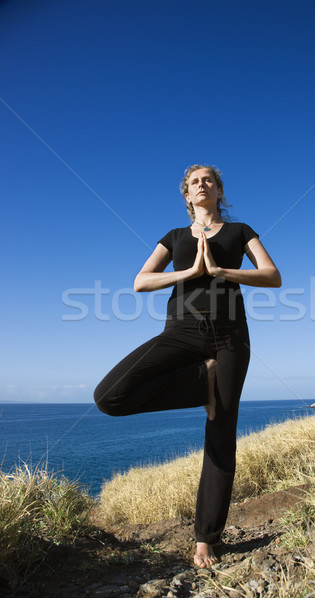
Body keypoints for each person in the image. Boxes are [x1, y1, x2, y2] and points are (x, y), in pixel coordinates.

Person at [94, 165, 281, 568]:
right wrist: (190, 272)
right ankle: (202, 383)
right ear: (186, 195)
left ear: (219, 191)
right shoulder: (175, 237)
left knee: (221, 431)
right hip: (181, 330)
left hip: (230, 336)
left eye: (208, 180)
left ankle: (206, 539)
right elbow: (141, 281)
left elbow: (272, 275)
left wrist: (220, 272)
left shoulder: (240, 231)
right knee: (109, 396)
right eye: (194, 181)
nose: (202, 185)